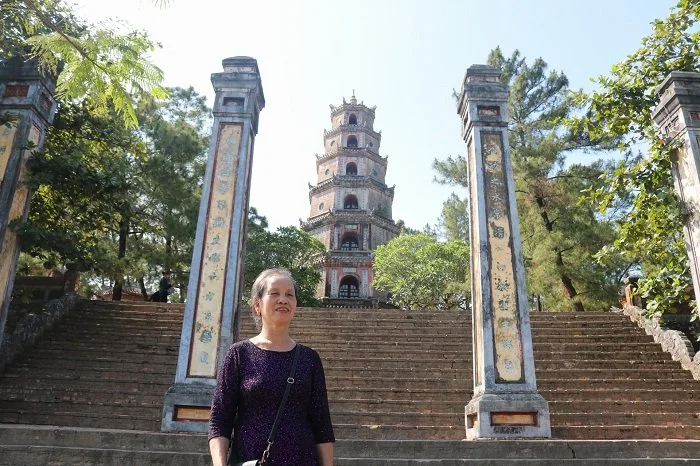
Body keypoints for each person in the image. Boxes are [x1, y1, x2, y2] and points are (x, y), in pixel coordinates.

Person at [208, 268, 335, 466]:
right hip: (251, 459)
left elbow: (322, 426)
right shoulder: (239, 354)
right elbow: (219, 421)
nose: (283, 299)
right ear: (257, 305)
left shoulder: (309, 358)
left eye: (289, 295)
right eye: (274, 293)